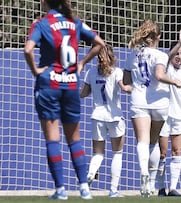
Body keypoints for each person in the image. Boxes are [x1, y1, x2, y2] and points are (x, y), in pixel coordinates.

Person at [23, 0, 105, 200]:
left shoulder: (41, 23)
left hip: (49, 85)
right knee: (74, 139)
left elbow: (27, 49)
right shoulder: (74, 22)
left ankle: (60, 190)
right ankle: (84, 188)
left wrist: (35, 71)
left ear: (44, 2)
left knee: (53, 138)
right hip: (70, 85)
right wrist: (82, 63)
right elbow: (100, 43)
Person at [123, 19, 181, 197]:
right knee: (153, 142)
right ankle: (150, 182)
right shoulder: (160, 55)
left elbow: (126, 82)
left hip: (139, 100)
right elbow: (159, 75)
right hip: (159, 102)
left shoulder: (133, 55)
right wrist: (174, 81)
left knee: (142, 141)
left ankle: (143, 173)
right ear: (158, 36)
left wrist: (135, 84)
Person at [80, 44, 131, 198]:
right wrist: (135, 88)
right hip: (114, 117)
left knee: (98, 153)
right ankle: (113, 190)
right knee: (117, 153)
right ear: (112, 56)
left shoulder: (91, 72)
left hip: (97, 116)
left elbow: (83, 94)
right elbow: (124, 88)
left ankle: (89, 177)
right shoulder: (117, 72)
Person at [156, 28, 181, 197]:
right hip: (164, 116)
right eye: (178, 53)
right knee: (162, 153)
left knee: (177, 151)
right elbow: (169, 57)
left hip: (179, 116)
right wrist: (179, 44)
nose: (179, 56)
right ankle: (161, 188)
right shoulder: (167, 67)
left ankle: (173, 188)